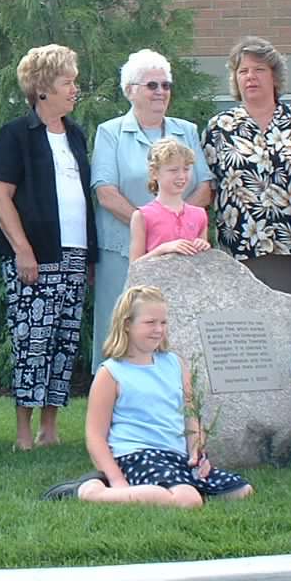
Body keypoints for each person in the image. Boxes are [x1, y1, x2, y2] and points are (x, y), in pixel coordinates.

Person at [43, 285, 253, 505]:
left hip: (175, 455)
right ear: (127, 325)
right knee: (189, 500)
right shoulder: (112, 372)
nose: (159, 329)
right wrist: (117, 480)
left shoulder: (175, 363)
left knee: (241, 490)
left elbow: (191, 416)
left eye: (163, 323)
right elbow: (95, 436)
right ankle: (89, 491)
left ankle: (156, 490)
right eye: (150, 323)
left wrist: (196, 453)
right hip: (137, 455)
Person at [0, 44, 97, 452]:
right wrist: (22, 249)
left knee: (64, 341)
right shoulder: (16, 134)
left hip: (74, 254)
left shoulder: (76, 135)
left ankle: (50, 427)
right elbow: (0, 195)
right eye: (67, 81)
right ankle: (22, 431)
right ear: (42, 89)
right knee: (31, 341)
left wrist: (89, 257)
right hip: (37, 255)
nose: (75, 89)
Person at [91, 49, 210, 372]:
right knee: (123, 328)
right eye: (152, 85)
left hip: (184, 254)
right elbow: (106, 192)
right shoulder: (110, 132)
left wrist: (179, 223)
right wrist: (150, 225)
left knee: (177, 330)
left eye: (166, 85)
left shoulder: (186, 130)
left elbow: (203, 186)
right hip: (123, 251)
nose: (160, 92)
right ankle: (115, 403)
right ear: (131, 90)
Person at [202, 36, 291, 298]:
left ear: (274, 77)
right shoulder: (220, 127)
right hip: (239, 248)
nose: (251, 76)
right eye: (243, 71)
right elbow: (207, 189)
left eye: (259, 69)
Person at [129, 139, 211, 262]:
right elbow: (134, 265)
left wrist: (203, 246)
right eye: (173, 170)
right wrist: (162, 249)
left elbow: (204, 263)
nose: (182, 176)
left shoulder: (200, 214)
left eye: (186, 169)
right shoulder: (142, 216)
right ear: (154, 173)